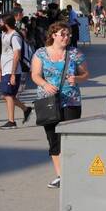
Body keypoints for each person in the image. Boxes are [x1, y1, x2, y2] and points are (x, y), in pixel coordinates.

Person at [30, 22, 90, 187]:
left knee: (70, 136)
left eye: (68, 34)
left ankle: (71, 171)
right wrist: (44, 84)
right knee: (53, 138)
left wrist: (77, 78)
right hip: (48, 101)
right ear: (53, 35)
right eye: (63, 34)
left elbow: (85, 74)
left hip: (71, 100)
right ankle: (61, 175)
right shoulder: (40, 54)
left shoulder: (75, 53)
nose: (66, 37)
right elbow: (35, 74)